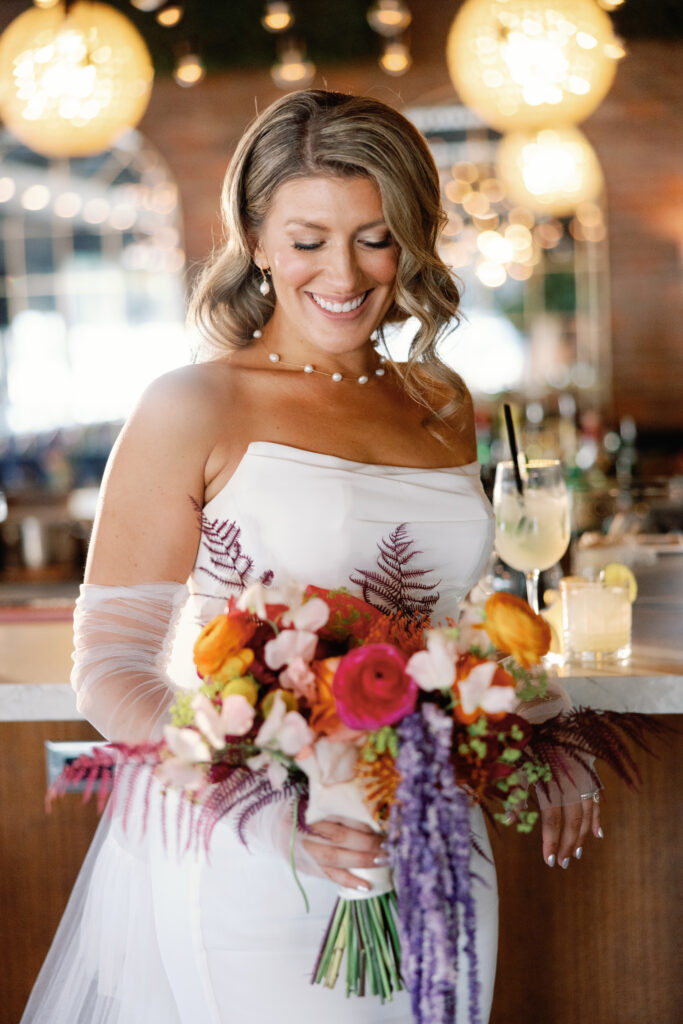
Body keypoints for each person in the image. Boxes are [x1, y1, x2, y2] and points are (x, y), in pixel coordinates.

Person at [22, 90, 601, 1024]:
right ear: (254, 239)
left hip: (436, 845)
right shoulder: (190, 405)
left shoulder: (440, 401)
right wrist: (269, 808)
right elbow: (110, 665)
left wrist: (550, 731)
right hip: (260, 861)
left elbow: (461, 626)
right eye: (307, 240)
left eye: (375, 238)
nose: (344, 272)